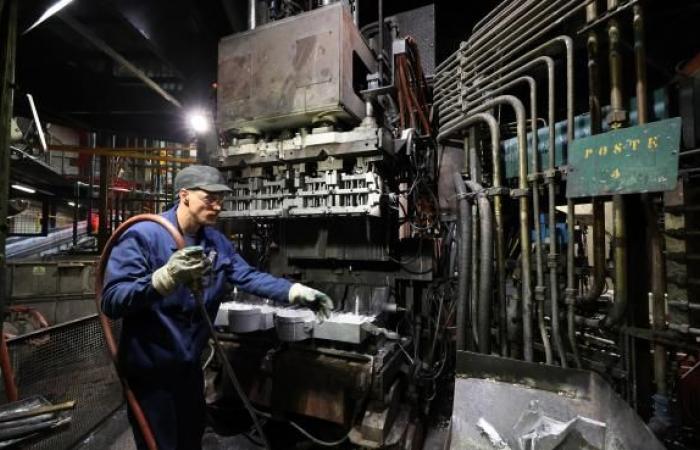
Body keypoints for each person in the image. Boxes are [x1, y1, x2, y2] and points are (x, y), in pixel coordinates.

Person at [101, 165, 333, 450]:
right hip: (151, 372)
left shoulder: (216, 243)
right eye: (209, 197)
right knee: (160, 443)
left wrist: (296, 291)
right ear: (184, 196)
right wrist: (163, 278)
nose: (218, 205)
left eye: (221, 198)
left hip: (188, 369)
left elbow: (248, 276)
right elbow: (112, 300)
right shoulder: (145, 235)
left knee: (190, 438)